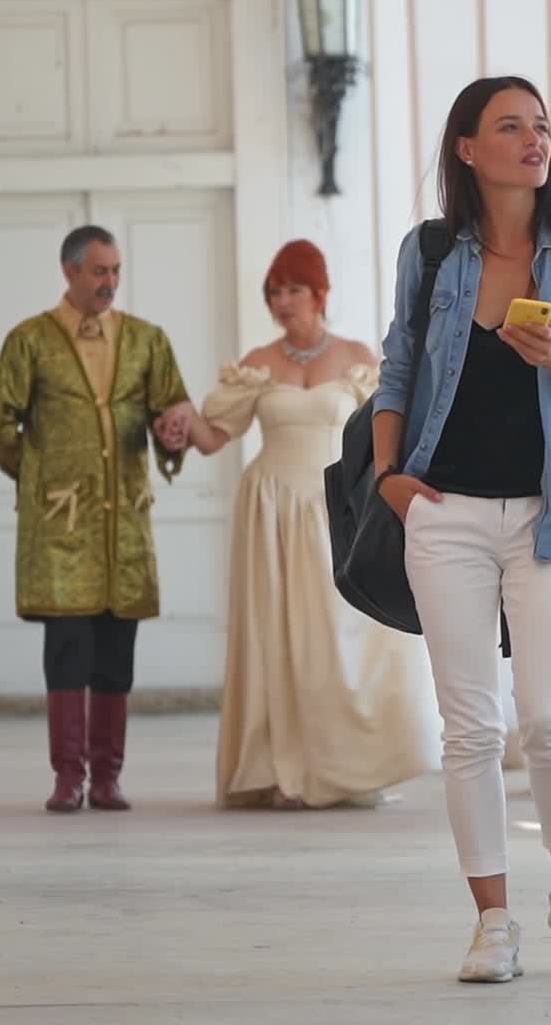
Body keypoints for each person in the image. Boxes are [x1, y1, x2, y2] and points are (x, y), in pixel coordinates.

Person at [371, 77, 551, 981]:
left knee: (550, 718)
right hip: (443, 514)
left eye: (542, 125)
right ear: (468, 149)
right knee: (470, 727)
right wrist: (391, 480)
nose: (533, 139)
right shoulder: (433, 253)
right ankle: (492, 923)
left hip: (547, 517)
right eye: (510, 126)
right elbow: (397, 367)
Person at [170, 240, 440, 809]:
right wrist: (176, 419)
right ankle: (280, 767)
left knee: (343, 635)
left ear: (319, 293)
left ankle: (348, 767)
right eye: (274, 291)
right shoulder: (259, 365)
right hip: (271, 508)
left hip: (335, 509)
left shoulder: (357, 357)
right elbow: (215, 436)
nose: (282, 300)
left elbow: (392, 426)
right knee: (278, 634)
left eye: (294, 288)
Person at [0, 225, 193, 814]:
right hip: (62, 529)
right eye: (99, 271)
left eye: (116, 270)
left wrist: (171, 435)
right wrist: (40, 478)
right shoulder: (29, 341)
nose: (110, 282)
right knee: (67, 648)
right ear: (70, 272)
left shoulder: (148, 341)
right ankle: (67, 776)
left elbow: (170, 412)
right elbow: (0, 425)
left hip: (124, 519)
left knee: (116, 649)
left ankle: (108, 776)